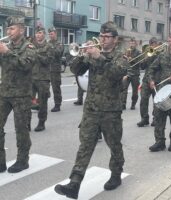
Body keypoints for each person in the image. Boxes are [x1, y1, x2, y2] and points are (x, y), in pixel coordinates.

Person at [54, 21, 128, 199]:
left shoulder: (121, 56)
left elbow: (116, 74)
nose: (102, 39)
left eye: (107, 36)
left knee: (114, 145)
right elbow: (75, 69)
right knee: (85, 146)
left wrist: (99, 57)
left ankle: (116, 174)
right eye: (101, 36)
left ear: (115, 39)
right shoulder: (94, 52)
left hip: (111, 111)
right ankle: (74, 183)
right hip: (91, 109)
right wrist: (82, 54)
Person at [0, 16, 36, 173]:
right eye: (8, 29)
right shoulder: (6, 46)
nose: (9, 31)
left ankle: (23, 161)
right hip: (4, 93)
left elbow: (26, 66)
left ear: (21, 30)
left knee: (21, 129)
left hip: (21, 95)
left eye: (12, 28)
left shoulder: (29, 47)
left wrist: (7, 52)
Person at [31, 26, 54, 132]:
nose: (38, 35)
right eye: (36, 33)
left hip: (43, 79)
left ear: (43, 34)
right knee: (27, 101)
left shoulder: (49, 46)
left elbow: (47, 61)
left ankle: (41, 123)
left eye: (40, 33)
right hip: (31, 77)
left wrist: (37, 55)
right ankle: (26, 123)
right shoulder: (32, 45)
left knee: (43, 102)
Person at [137, 37, 160, 127]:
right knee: (143, 99)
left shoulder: (161, 53)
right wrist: (146, 58)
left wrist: (154, 55)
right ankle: (144, 118)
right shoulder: (147, 53)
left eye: (154, 43)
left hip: (157, 80)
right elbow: (142, 67)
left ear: (157, 44)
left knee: (156, 101)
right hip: (146, 80)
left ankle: (155, 119)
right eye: (151, 44)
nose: (153, 45)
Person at [121, 37, 141, 110]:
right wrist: (124, 58)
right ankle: (123, 104)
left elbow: (140, 63)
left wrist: (131, 60)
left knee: (135, 91)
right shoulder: (126, 51)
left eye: (133, 43)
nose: (132, 44)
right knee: (124, 89)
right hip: (126, 73)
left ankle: (133, 104)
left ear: (136, 44)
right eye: (131, 43)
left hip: (135, 73)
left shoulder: (138, 52)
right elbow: (123, 62)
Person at [48, 27, 64, 112]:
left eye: (52, 34)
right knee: (43, 87)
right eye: (49, 34)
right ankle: (40, 103)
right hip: (47, 69)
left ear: (55, 34)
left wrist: (50, 47)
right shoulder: (48, 43)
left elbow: (58, 53)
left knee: (56, 88)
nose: (50, 35)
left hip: (55, 69)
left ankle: (57, 104)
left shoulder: (59, 43)